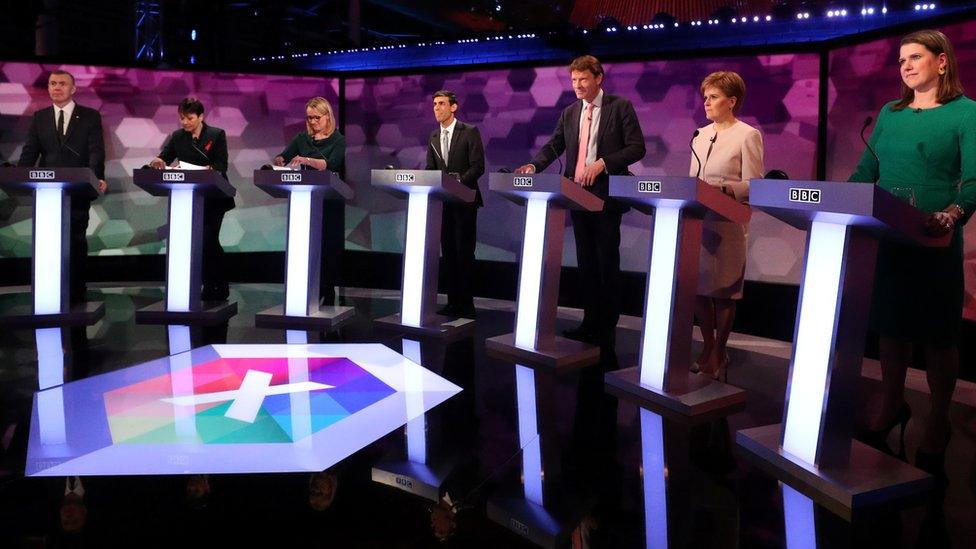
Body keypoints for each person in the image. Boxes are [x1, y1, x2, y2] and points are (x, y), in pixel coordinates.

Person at [849, 29, 976, 477]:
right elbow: (867, 171)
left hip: (934, 236)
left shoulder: (966, 113)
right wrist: (837, 203)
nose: (905, 65)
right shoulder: (889, 112)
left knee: (938, 335)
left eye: (915, 57)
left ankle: (938, 419)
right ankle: (891, 405)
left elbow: (975, 180)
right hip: (888, 236)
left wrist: (954, 212)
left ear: (942, 62)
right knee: (891, 327)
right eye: (901, 59)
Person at [516, 55, 646, 352]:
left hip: (606, 197)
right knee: (586, 262)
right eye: (574, 80)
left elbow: (637, 147)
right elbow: (554, 145)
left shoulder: (619, 106)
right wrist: (534, 167)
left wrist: (602, 163)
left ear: (598, 78)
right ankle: (589, 322)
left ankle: (606, 328)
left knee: (606, 262)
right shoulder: (570, 112)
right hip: (576, 196)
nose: (577, 85)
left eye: (583, 79)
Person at [689, 71, 764, 380]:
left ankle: (720, 351)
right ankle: (707, 346)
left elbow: (756, 183)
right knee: (699, 291)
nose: (707, 102)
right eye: (705, 97)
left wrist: (725, 190)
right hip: (699, 222)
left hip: (728, 221)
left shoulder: (747, 134)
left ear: (731, 101)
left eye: (714, 97)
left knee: (724, 292)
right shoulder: (699, 134)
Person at [18, 70, 107, 305]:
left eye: (62, 84)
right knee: (49, 242)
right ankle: (50, 291)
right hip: (47, 193)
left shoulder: (89, 116)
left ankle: (77, 291)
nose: (56, 87)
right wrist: (20, 173)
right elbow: (30, 152)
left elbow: (96, 151)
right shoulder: (40, 117)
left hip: (78, 191)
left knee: (75, 239)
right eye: (52, 83)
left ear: (73, 88)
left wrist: (96, 176)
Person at [150, 97, 234, 302]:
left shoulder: (216, 134)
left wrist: (203, 170)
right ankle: (206, 284)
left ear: (201, 117)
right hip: (188, 198)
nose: (185, 122)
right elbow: (166, 156)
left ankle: (220, 285)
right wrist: (159, 160)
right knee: (198, 242)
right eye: (182, 118)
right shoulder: (178, 136)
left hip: (213, 197)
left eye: (189, 118)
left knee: (208, 240)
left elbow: (221, 165)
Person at [273, 96, 346, 308]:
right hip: (305, 202)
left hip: (329, 201)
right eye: (309, 118)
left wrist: (306, 160)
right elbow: (284, 156)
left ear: (327, 117)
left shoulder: (338, 140)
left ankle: (327, 291)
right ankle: (305, 289)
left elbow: (330, 164)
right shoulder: (302, 139)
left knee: (327, 246)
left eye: (317, 118)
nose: (313, 122)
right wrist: (280, 159)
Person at [425, 90, 485, 319]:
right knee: (448, 253)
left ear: (453, 107)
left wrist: (458, 183)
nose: (437, 108)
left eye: (441, 104)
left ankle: (466, 305)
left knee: (464, 253)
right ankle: (452, 302)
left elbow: (478, 167)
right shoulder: (432, 137)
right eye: (434, 104)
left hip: (465, 203)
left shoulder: (469, 132)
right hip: (444, 204)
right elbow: (431, 170)